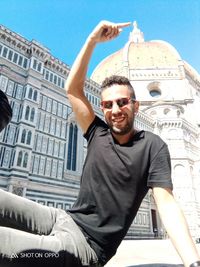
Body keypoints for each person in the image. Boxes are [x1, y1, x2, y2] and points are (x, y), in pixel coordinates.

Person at [0, 20, 199, 267]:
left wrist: (193, 262)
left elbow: (166, 203)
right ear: (102, 109)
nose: (115, 109)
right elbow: (73, 89)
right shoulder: (97, 133)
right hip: (61, 218)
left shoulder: (153, 145)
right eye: (108, 104)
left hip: (85, 248)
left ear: (136, 105)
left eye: (122, 102)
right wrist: (92, 41)